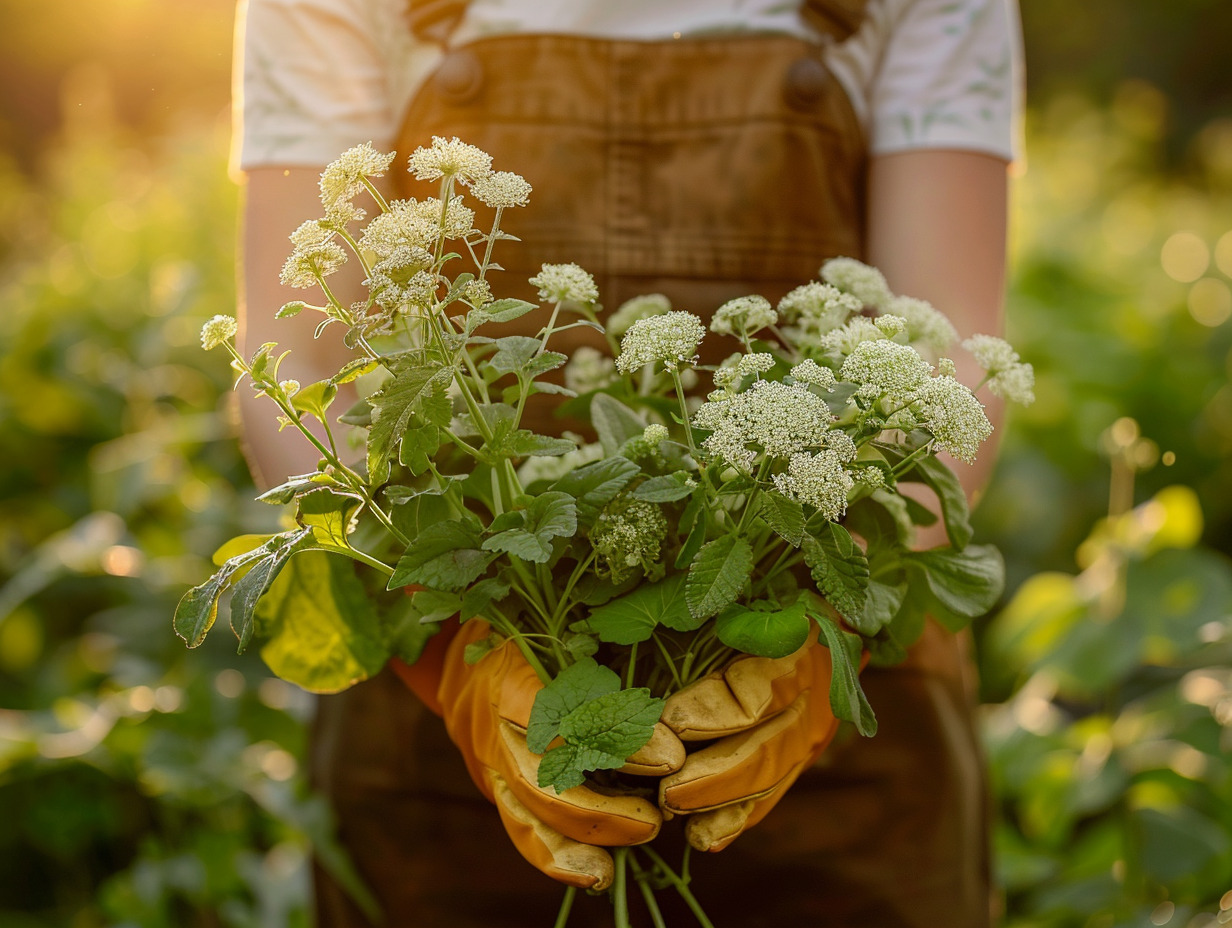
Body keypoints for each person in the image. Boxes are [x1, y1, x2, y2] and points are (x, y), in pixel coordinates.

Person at [231, 1, 1023, 925]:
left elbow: (947, 354)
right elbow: (300, 363)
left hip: (844, 768)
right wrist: (456, 660)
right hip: (440, 771)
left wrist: (822, 636)